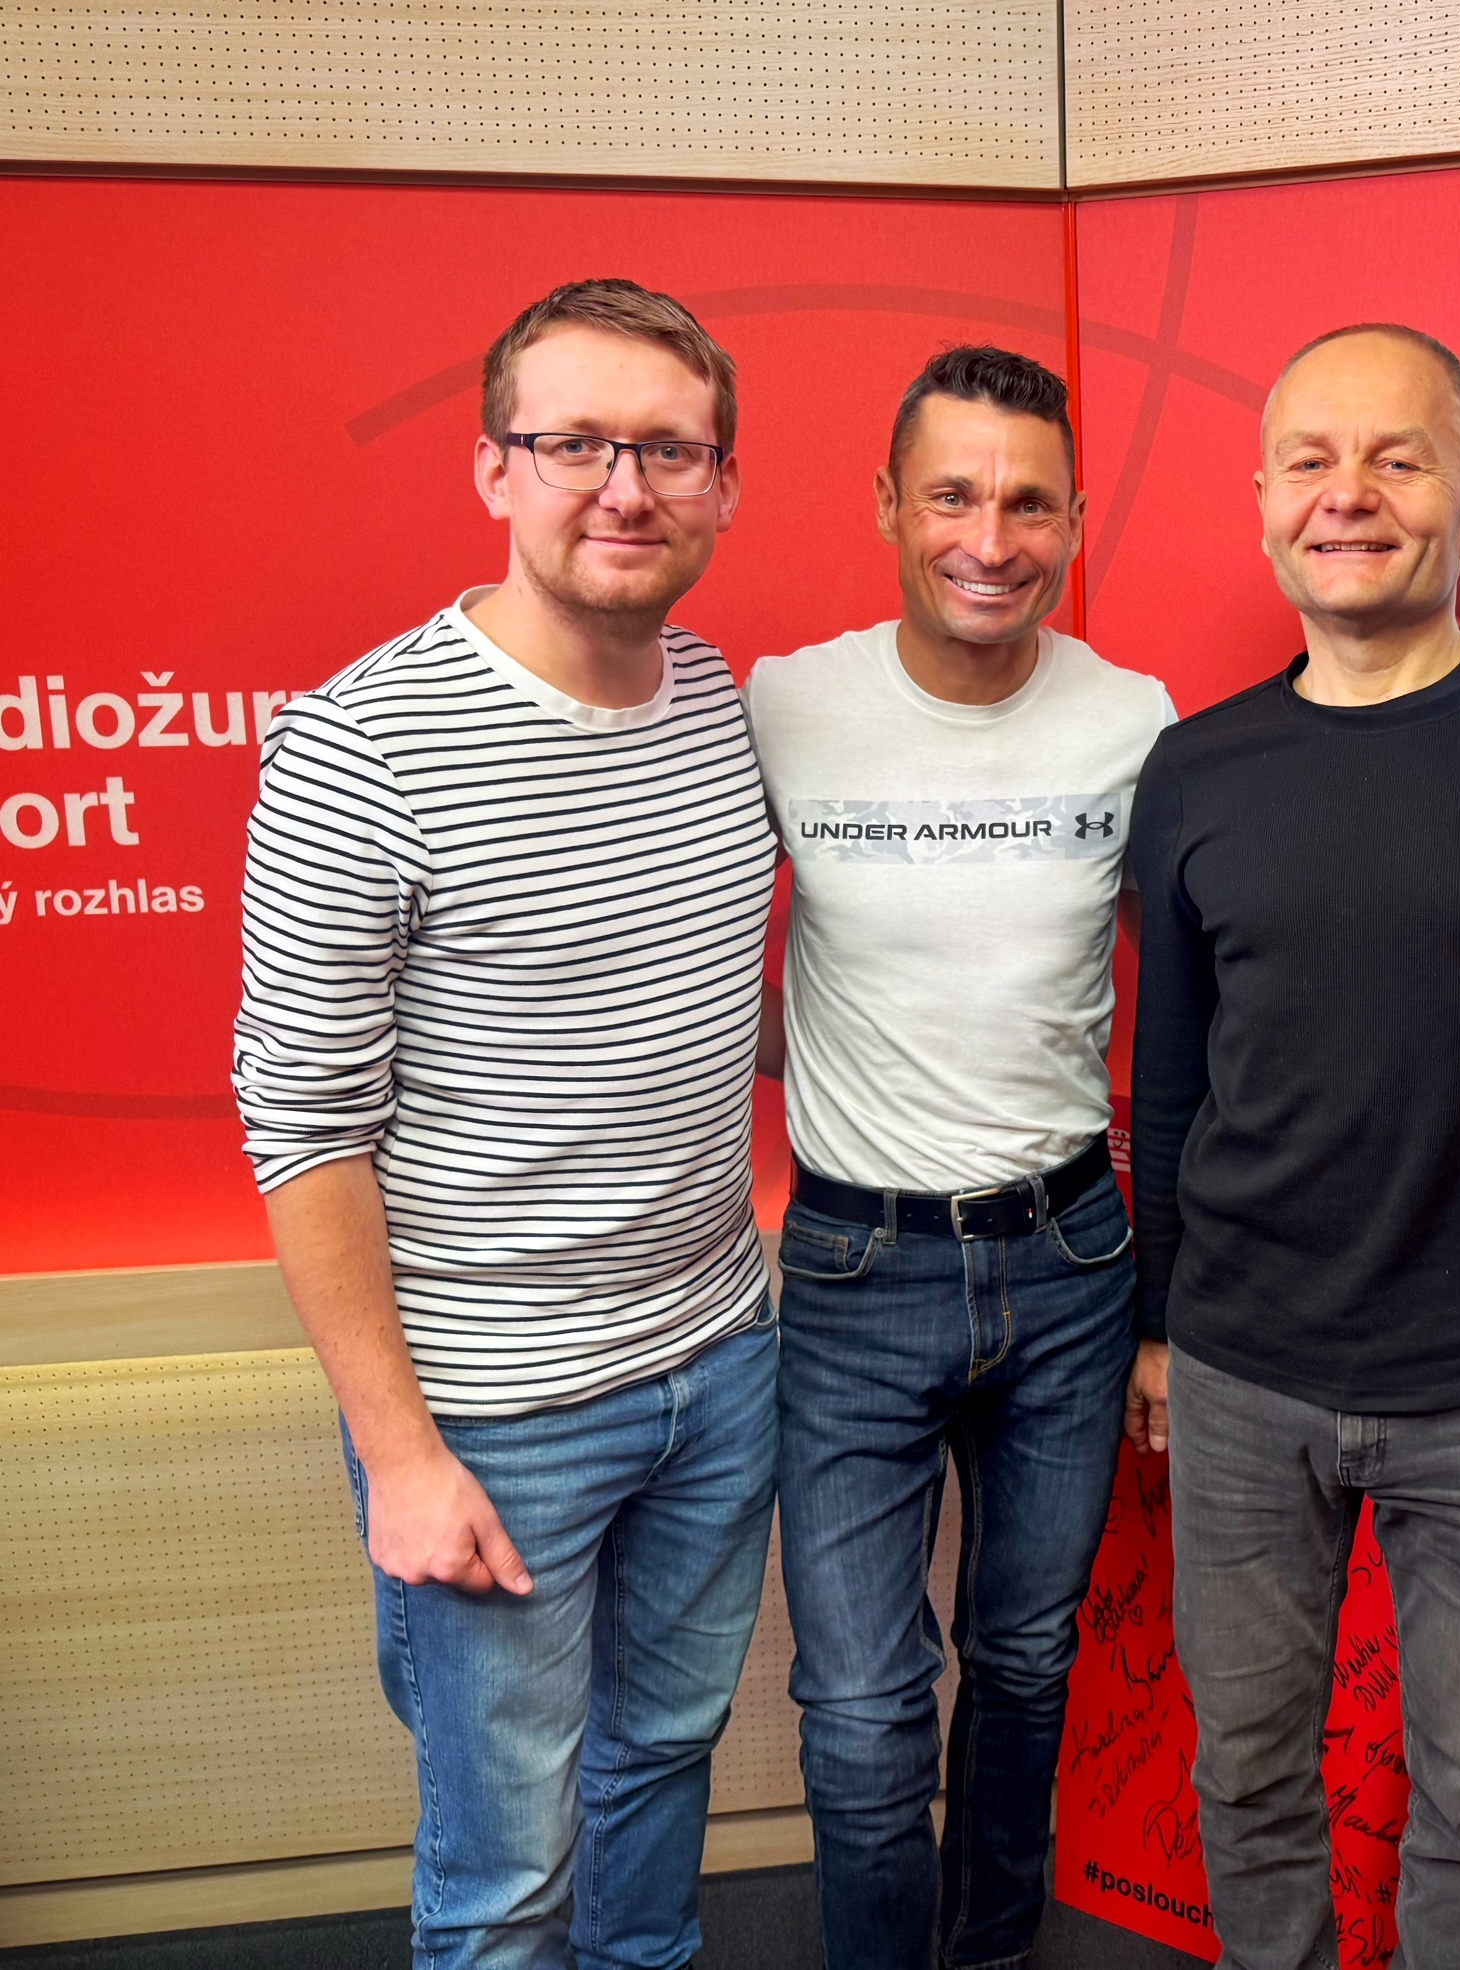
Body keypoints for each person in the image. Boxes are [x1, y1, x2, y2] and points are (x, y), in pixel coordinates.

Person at [233, 279, 778, 1968]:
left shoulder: (715, 701)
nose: (624, 485)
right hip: (494, 1415)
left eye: (668, 449)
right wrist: (401, 1456)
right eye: (574, 443)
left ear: (724, 485)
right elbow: (302, 1127)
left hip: (721, 1355)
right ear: (492, 469)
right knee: (503, 1876)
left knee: (663, 1764)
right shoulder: (361, 749)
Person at [1125, 323, 1460, 1970]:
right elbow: (1171, 1071)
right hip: (1242, 1370)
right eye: (1310, 460)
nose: (1347, 495)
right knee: (1246, 1774)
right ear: (1264, 502)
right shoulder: (1195, 767)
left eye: (1398, 459)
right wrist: (1157, 1327)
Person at [745, 344, 1173, 1970]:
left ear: (1075, 520)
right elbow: (692, 946)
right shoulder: (787, 705)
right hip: (855, 1268)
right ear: (886, 505)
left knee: (1025, 1664)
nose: (989, 539)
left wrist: (1168, 1306)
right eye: (951, 496)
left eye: (1027, 503)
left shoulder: (1134, 720)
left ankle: (990, 1954)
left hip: (1071, 1260)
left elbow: (1201, 1005)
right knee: (862, 1709)